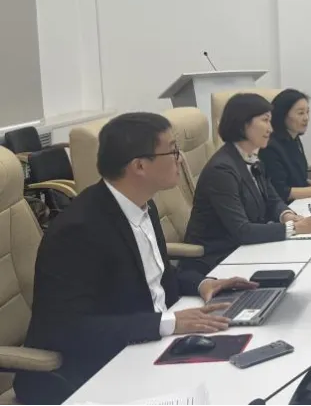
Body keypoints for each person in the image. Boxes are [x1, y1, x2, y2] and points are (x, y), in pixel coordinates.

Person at [17, 113, 256, 406]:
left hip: (152, 346)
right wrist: (168, 323)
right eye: (172, 150)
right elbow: (68, 329)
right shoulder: (79, 230)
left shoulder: (143, 206)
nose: (180, 159)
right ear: (139, 166)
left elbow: (153, 276)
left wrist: (203, 284)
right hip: (98, 370)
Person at [182, 93, 311, 275]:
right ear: (243, 124)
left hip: (247, 251)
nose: (270, 129)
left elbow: (273, 200)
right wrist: (294, 228)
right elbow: (242, 231)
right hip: (217, 262)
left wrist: (288, 216)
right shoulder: (222, 170)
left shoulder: (252, 159)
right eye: (265, 120)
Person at [260, 89, 311, 203]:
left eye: (307, 112)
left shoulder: (293, 138)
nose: (306, 118)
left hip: (300, 202)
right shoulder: (269, 147)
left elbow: (294, 178)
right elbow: (281, 191)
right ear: (283, 115)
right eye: (300, 113)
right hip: (285, 208)